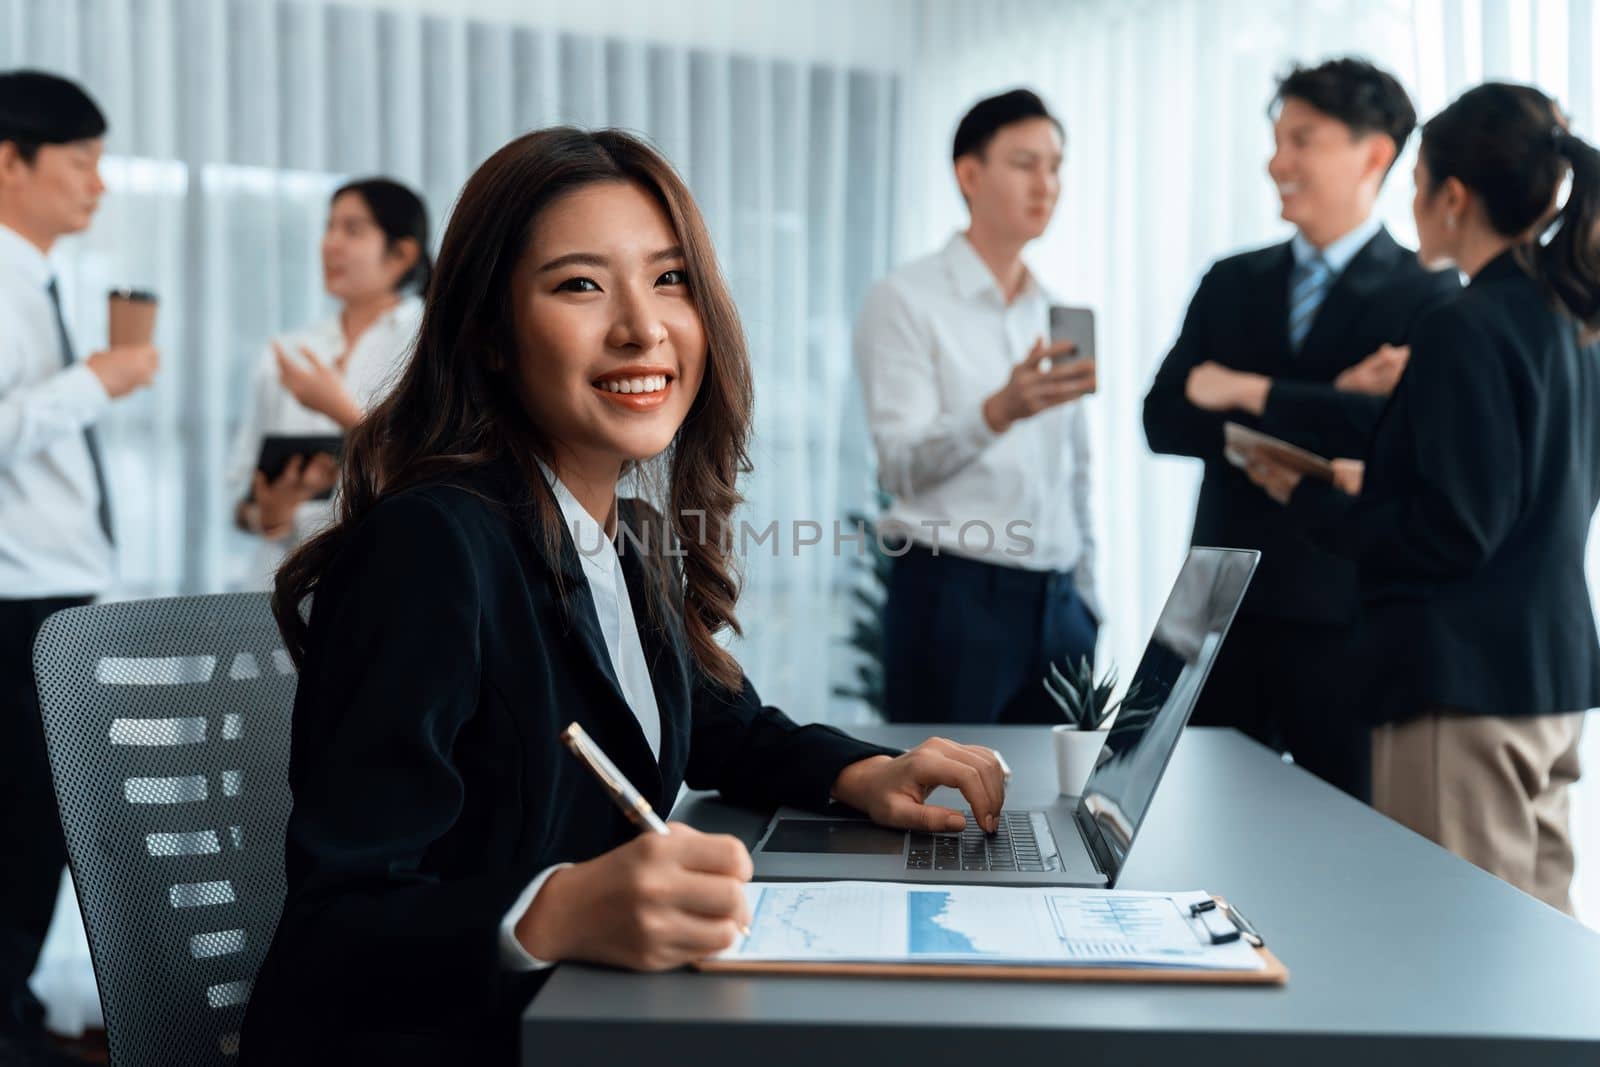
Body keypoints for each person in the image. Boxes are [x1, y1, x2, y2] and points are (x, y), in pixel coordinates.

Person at [238, 127, 1009, 1064]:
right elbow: (338, 925)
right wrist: (549, 911)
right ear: (488, 334)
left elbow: (720, 723)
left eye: (670, 279)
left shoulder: (621, 533)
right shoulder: (432, 545)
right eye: (580, 284)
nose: (643, 327)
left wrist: (862, 771)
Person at [1243, 83, 1600, 914]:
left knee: (1454, 952)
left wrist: (1314, 497)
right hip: (1547, 682)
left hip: (1460, 687)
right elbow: (1520, 496)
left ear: (1454, 196)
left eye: (1416, 184)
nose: (1409, 204)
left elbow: (1453, 532)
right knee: (1539, 957)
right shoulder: (1571, 318)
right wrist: (1384, 484)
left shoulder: (1462, 322)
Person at [1142, 58, 1459, 800]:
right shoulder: (1230, 279)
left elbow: (1391, 434)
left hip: (1341, 614)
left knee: (1343, 851)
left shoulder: (1431, 293)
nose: (1276, 161)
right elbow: (1163, 419)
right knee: (1196, 828)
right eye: (1276, 138)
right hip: (1215, 612)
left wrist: (1245, 391)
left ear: (1374, 154)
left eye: (1302, 140)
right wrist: (1333, 399)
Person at [856, 88, 1101, 726]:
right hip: (953, 596)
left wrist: (1088, 601)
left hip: (1059, 607)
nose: (1047, 184)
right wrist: (998, 411)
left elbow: (1075, 470)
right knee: (942, 812)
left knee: (1051, 810)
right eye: (1025, 163)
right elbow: (900, 469)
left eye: (1056, 166)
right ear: (970, 174)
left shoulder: (1054, 310)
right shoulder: (905, 299)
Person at [0, 71, 159, 1049]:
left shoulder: (34, 274)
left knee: (36, 819)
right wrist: (93, 383)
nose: (98, 184)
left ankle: (12, 1009)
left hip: (47, 586)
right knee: (22, 822)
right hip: (15, 592)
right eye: (82, 162)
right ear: (8, 161)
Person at [227, 178, 429, 587]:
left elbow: (436, 477)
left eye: (353, 230)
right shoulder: (288, 353)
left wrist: (343, 414)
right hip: (279, 590)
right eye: (329, 227)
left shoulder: (434, 345)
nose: (330, 243)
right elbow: (241, 501)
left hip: (389, 581)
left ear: (403, 253)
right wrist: (268, 515)